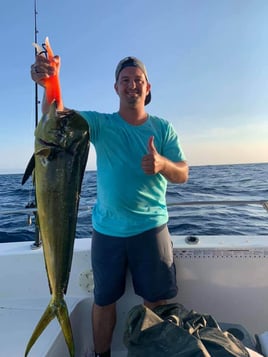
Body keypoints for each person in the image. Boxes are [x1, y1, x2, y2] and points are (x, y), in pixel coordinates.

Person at [31, 54, 189, 357]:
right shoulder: (101, 124)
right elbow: (57, 116)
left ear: (148, 87)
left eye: (138, 80)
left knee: (156, 304)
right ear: (116, 88)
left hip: (151, 228)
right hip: (107, 231)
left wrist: (162, 164)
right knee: (103, 302)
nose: (132, 86)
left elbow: (182, 172)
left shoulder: (163, 128)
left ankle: (153, 352)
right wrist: (51, 80)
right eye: (125, 81)